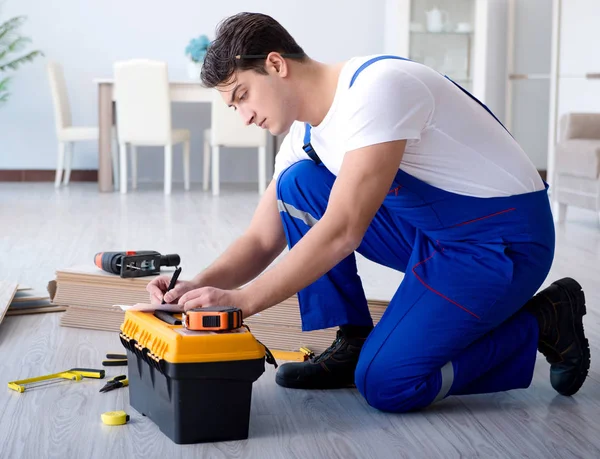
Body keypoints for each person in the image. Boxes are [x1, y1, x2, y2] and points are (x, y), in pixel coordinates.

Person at [147, 12, 590, 412]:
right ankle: (354, 340)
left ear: (277, 65)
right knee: (298, 184)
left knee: (389, 384)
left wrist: (243, 302)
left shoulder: (378, 89)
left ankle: (544, 319)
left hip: (502, 242)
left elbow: (343, 231)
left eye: (242, 95)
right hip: (433, 233)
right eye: (233, 105)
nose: (243, 116)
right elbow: (261, 240)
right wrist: (195, 287)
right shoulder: (304, 134)